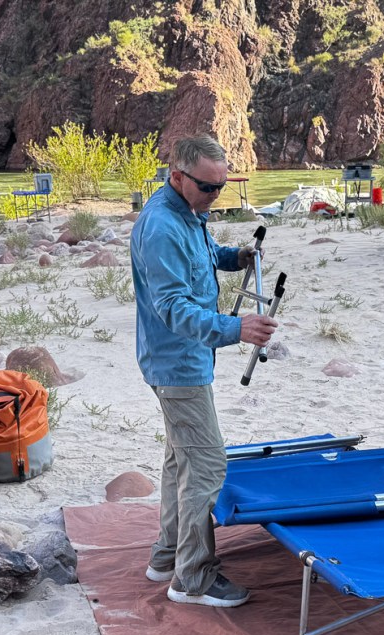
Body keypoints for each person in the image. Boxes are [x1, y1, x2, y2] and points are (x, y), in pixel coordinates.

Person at [130, 134, 277, 608]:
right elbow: (172, 306)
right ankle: (192, 578)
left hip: (185, 360)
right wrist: (237, 328)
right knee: (209, 464)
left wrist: (237, 257)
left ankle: (167, 556)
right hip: (176, 364)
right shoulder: (161, 227)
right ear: (177, 176)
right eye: (209, 188)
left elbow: (206, 253)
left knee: (181, 460)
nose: (216, 197)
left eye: (222, 188)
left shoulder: (189, 212)